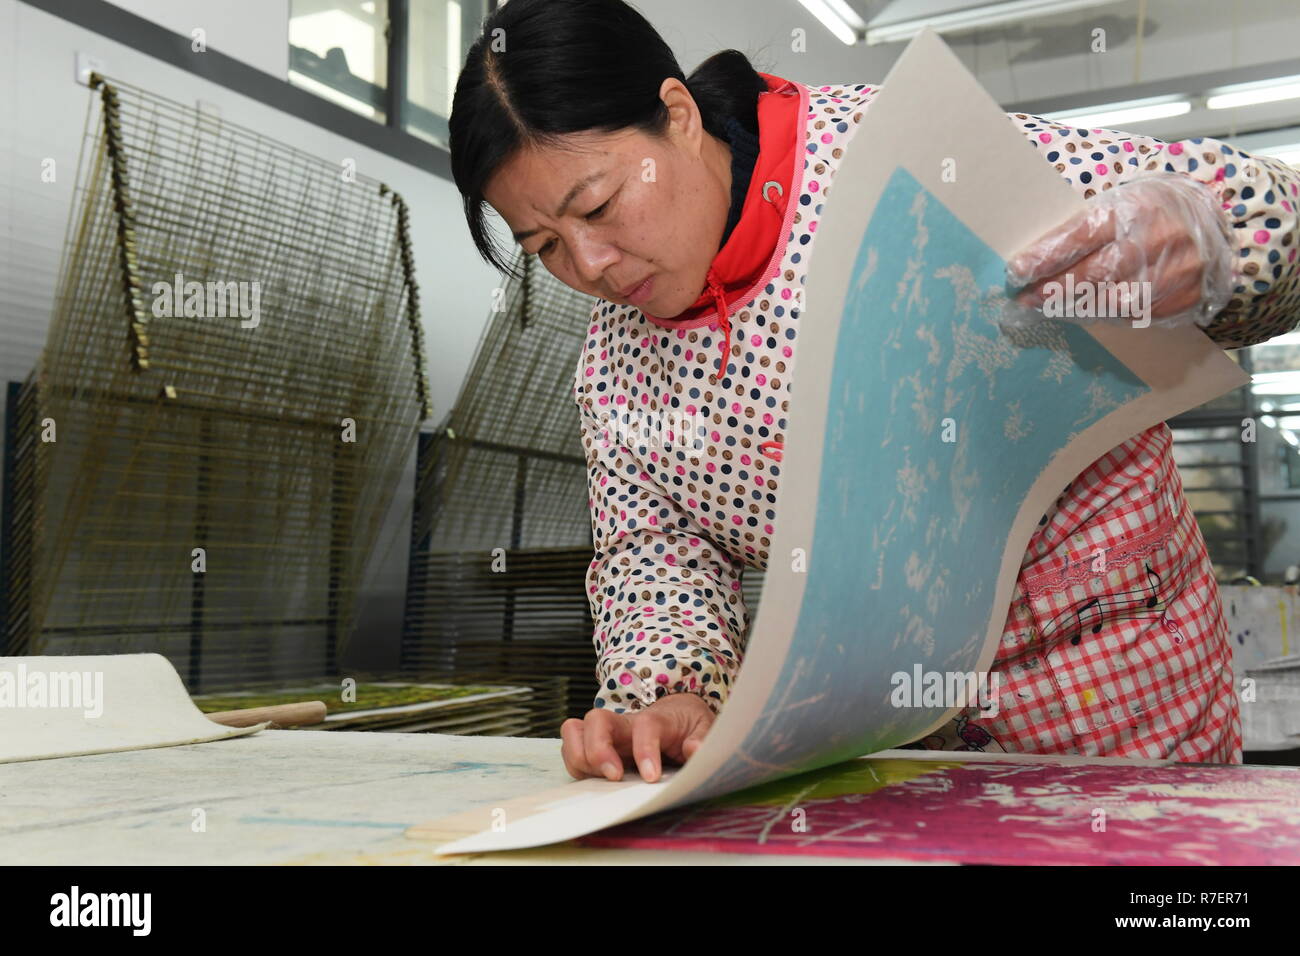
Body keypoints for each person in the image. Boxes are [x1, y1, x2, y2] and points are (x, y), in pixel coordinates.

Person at [448, 0, 1300, 782]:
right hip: (894, 742)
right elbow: (656, 551)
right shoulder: (616, 366)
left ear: (677, 113)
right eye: (544, 247)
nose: (589, 266)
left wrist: (1216, 248)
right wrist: (670, 689)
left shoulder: (903, 158)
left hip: (1124, 693)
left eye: (595, 206)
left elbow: (1270, 215)